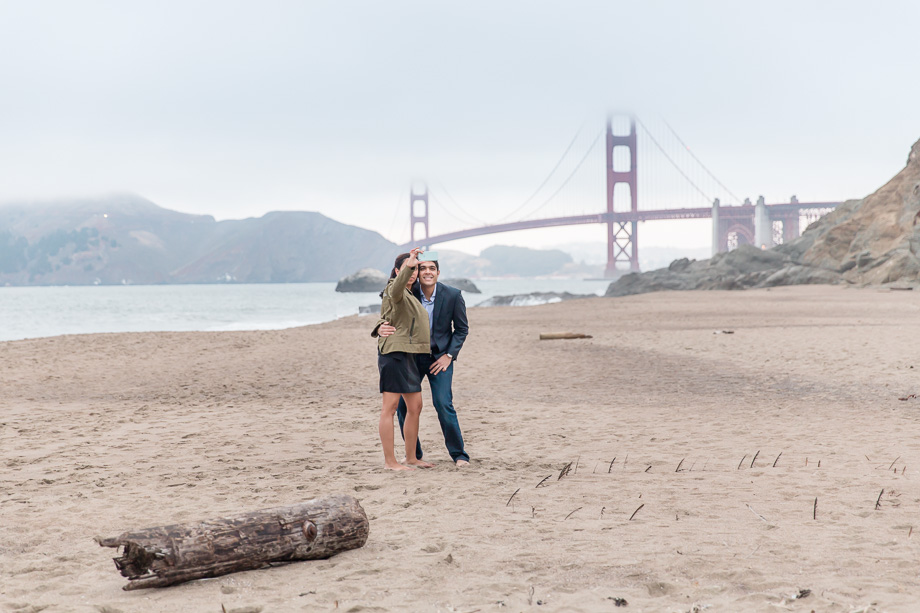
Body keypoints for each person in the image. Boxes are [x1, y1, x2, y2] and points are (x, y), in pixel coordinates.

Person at [374, 255, 470, 467]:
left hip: (439, 358)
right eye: (421, 268)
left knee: (443, 404)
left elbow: (462, 329)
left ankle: (459, 455)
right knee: (402, 407)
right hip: (410, 357)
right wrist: (379, 327)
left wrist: (449, 355)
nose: (425, 272)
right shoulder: (408, 289)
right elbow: (389, 308)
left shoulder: (453, 295)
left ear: (438, 273)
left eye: (431, 268)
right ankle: (413, 455)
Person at [376, 248, 434, 471]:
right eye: (409, 268)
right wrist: (410, 262)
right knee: (389, 408)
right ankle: (390, 462)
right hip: (394, 354)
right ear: (398, 271)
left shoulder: (411, 294)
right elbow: (397, 285)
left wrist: (378, 325)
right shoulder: (395, 289)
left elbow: (386, 316)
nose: (413, 272)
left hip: (410, 354)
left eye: (416, 268)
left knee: (415, 406)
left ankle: (411, 457)